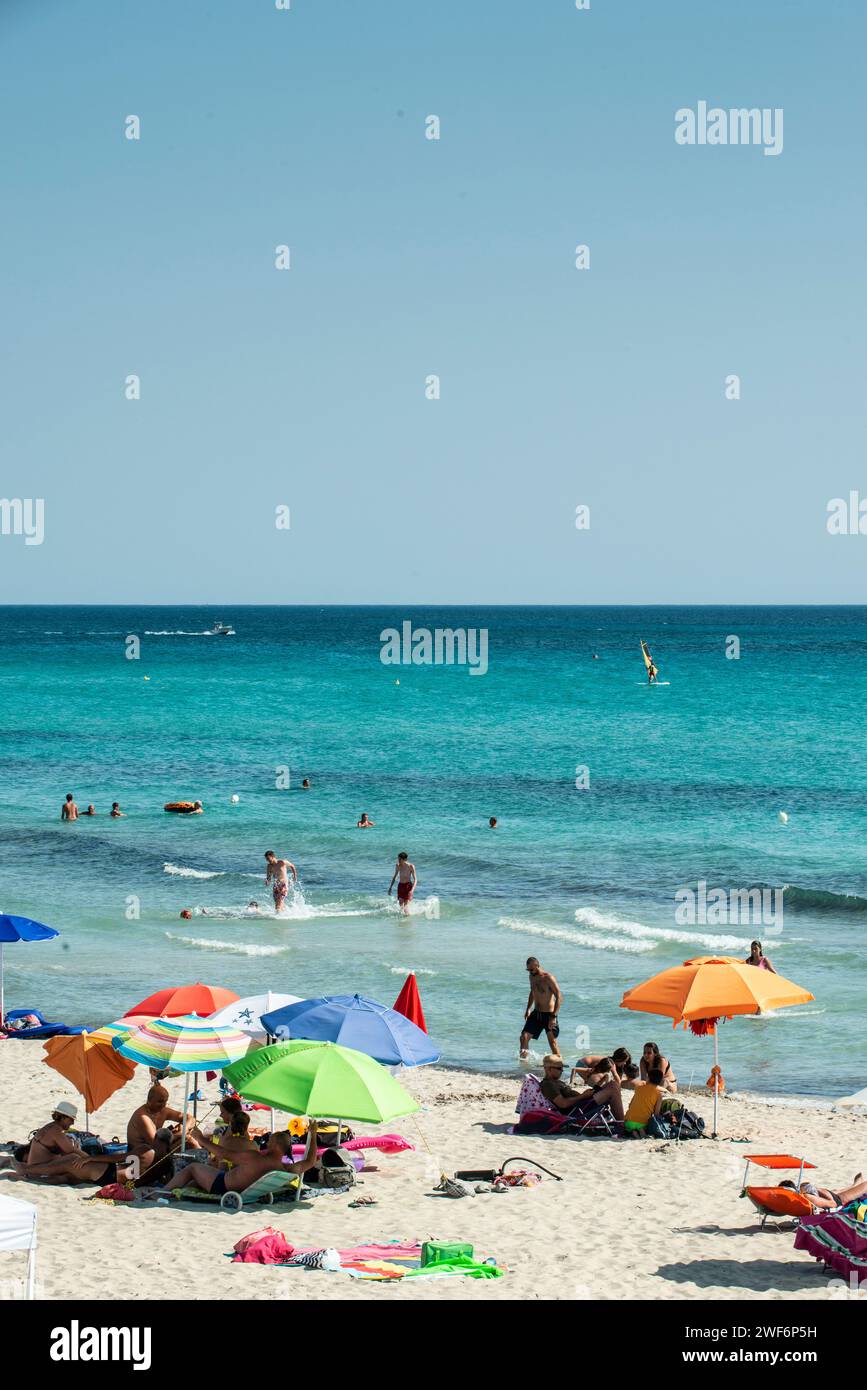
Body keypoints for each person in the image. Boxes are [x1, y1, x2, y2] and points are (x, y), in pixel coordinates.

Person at [163, 1123, 319, 1198]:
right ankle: (178, 1191)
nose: (268, 1142)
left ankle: (162, 1192)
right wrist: (313, 1134)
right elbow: (310, 1162)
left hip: (223, 1186)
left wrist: (201, 1139)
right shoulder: (286, 1169)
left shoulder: (255, 1158)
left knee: (193, 1168)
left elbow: (223, 1153)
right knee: (198, 1178)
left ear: (277, 1146)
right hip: (242, 1190)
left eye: (270, 1140)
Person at [126, 1084, 192, 1175]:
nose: (163, 1105)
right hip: (142, 1157)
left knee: (191, 1133)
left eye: (165, 1101)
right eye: (160, 1101)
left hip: (157, 1149)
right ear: (149, 1101)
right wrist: (179, 1134)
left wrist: (185, 1129)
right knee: (188, 1140)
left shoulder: (163, 1110)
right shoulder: (143, 1117)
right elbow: (156, 1143)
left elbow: (189, 1118)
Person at [520, 958, 563, 1060]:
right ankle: (523, 1064)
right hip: (536, 1014)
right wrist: (528, 1008)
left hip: (549, 1015)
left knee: (552, 1042)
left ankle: (559, 1064)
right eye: (528, 970)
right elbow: (532, 992)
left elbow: (559, 996)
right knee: (523, 1037)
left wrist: (553, 1016)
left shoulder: (548, 978)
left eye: (531, 970)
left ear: (537, 966)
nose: (530, 972)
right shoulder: (532, 977)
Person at [780, 1173, 867, 1212]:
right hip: (840, 1200)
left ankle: (855, 1184)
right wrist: (818, 1190)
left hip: (833, 1196)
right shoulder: (807, 1197)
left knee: (839, 1190)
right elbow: (832, 1203)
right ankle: (856, 1184)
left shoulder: (790, 1203)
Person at [624, 1066, 665, 1135]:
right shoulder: (658, 1094)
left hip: (628, 1121)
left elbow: (630, 1105)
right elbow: (656, 1113)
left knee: (631, 1126)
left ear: (648, 1078)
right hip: (643, 1123)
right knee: (644, 1125)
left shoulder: (638, 1088)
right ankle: (640, 1130)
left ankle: (633, 1131)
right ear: (660, 1081)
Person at [265, 849, 297, 913]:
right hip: (276, 885)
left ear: (273, 856)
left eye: (268, 859)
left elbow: (292, 866)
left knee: (278, 902)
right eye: (266, 859)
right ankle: (284, 913)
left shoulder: (282, 862)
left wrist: (295, 876)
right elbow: (269, 877)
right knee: (277, 901)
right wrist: (267, 881)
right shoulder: (269, 866)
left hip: (284, 884)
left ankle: (277, 916)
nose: (267, 860)